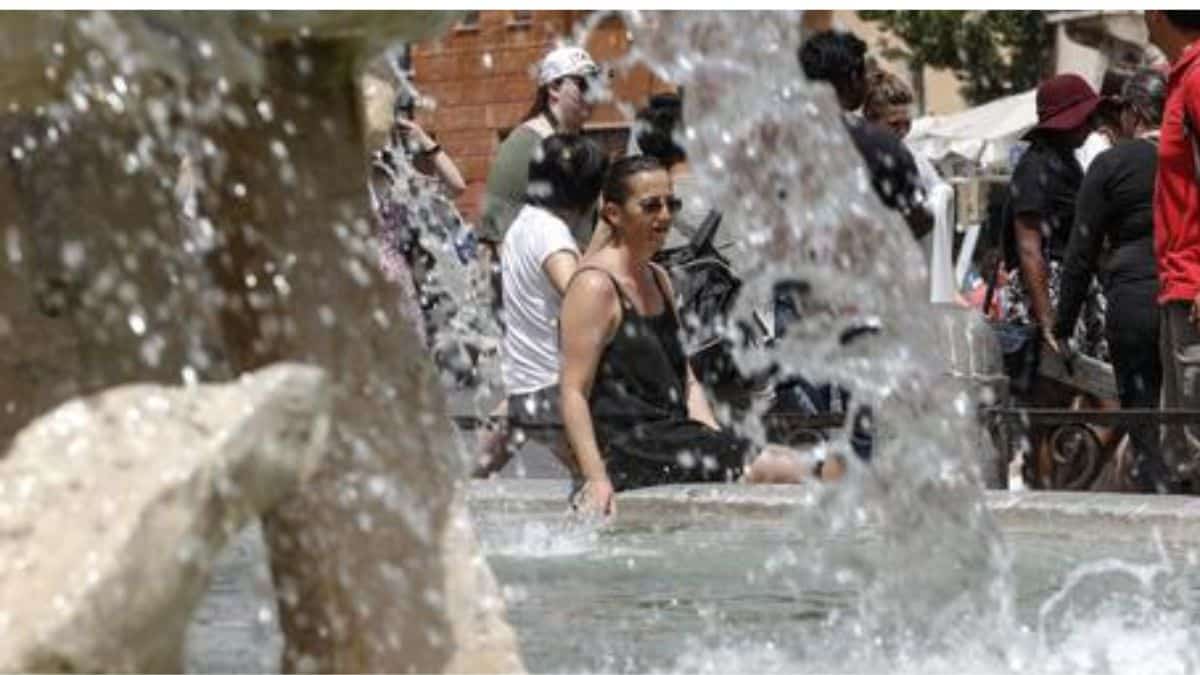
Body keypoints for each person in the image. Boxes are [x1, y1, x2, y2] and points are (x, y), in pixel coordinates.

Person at [559, 156, 834, 515]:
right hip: (632, 450)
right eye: (650, 206)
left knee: (805, 462)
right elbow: (572, 391)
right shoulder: (595, 286)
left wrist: (713, 436)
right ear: (613, 213)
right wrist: (596, 478)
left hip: (675, 439)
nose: (665, 216)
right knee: (796, 467)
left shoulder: (658, 278)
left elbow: (687, 381)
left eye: (671, 203)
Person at [1053, 69, 1170, 493]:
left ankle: (1161, 504)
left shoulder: (1111, 164)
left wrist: (1062, 326)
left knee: (1142, 414)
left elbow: (1080, 254)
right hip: (1187, 293)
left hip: (1134, 299)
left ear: (1135, 112)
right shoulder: (1188, 157)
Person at [473, 134, 609, 477]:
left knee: (474, 476)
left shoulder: (523, 224)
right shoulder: (553, 237)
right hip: (553, 394)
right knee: (603, 486)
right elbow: (580, 295)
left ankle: (449, 506)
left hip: (524, 391)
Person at [370, 84, 483, 386]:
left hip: (400, 285)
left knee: (407, 374)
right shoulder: (356, 172)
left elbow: (456, 186)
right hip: (369, 283)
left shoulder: (401, 176)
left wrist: (425, 142)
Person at [798, 30, 932, 240]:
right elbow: (919, 221)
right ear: (853, 78)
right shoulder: (877, 144)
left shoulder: (773, 138)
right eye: (863, 73)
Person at [1144, 10, 1200, 491]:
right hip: (1177, 284)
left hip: (1194, 286)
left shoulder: (1199, 79)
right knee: (1181, 449)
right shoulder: (1182, 80)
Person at [478, 45, 601, 253]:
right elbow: (496, 235)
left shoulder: (583, 144)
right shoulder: (524, 145)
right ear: (553, 88)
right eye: (584, 84)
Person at [862, 69, 958, 303]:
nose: (903, 131)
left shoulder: (915, 158)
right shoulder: (860, 160)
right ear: (871, 119)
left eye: (908, 123)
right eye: (894, 124)